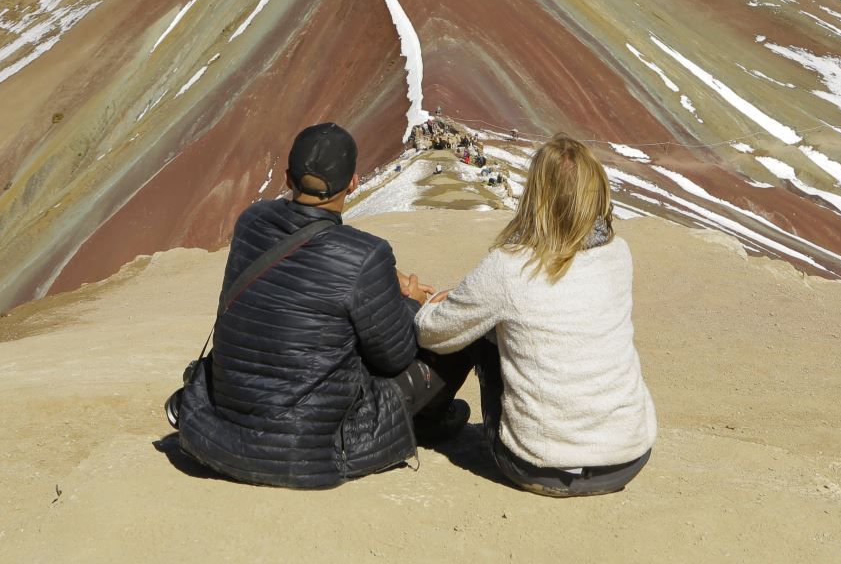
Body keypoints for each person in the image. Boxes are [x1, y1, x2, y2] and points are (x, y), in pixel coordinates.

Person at [169, 122, 461, 489]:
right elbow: (395, 357)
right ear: (353, 183)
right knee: (451, 328)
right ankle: (426, 424)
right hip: (307, 453)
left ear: (289, 178)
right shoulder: (366, 255)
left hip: (217, 435)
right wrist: (409, 302)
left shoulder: (250, 222)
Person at [409, 134, 656, 497]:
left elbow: (434, 333)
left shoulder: (510, 266)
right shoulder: (618, 253)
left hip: (539, 465)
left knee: (478, 331)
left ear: (535, 197)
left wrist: (430, 302)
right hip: (629, 458)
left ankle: (431, 422)